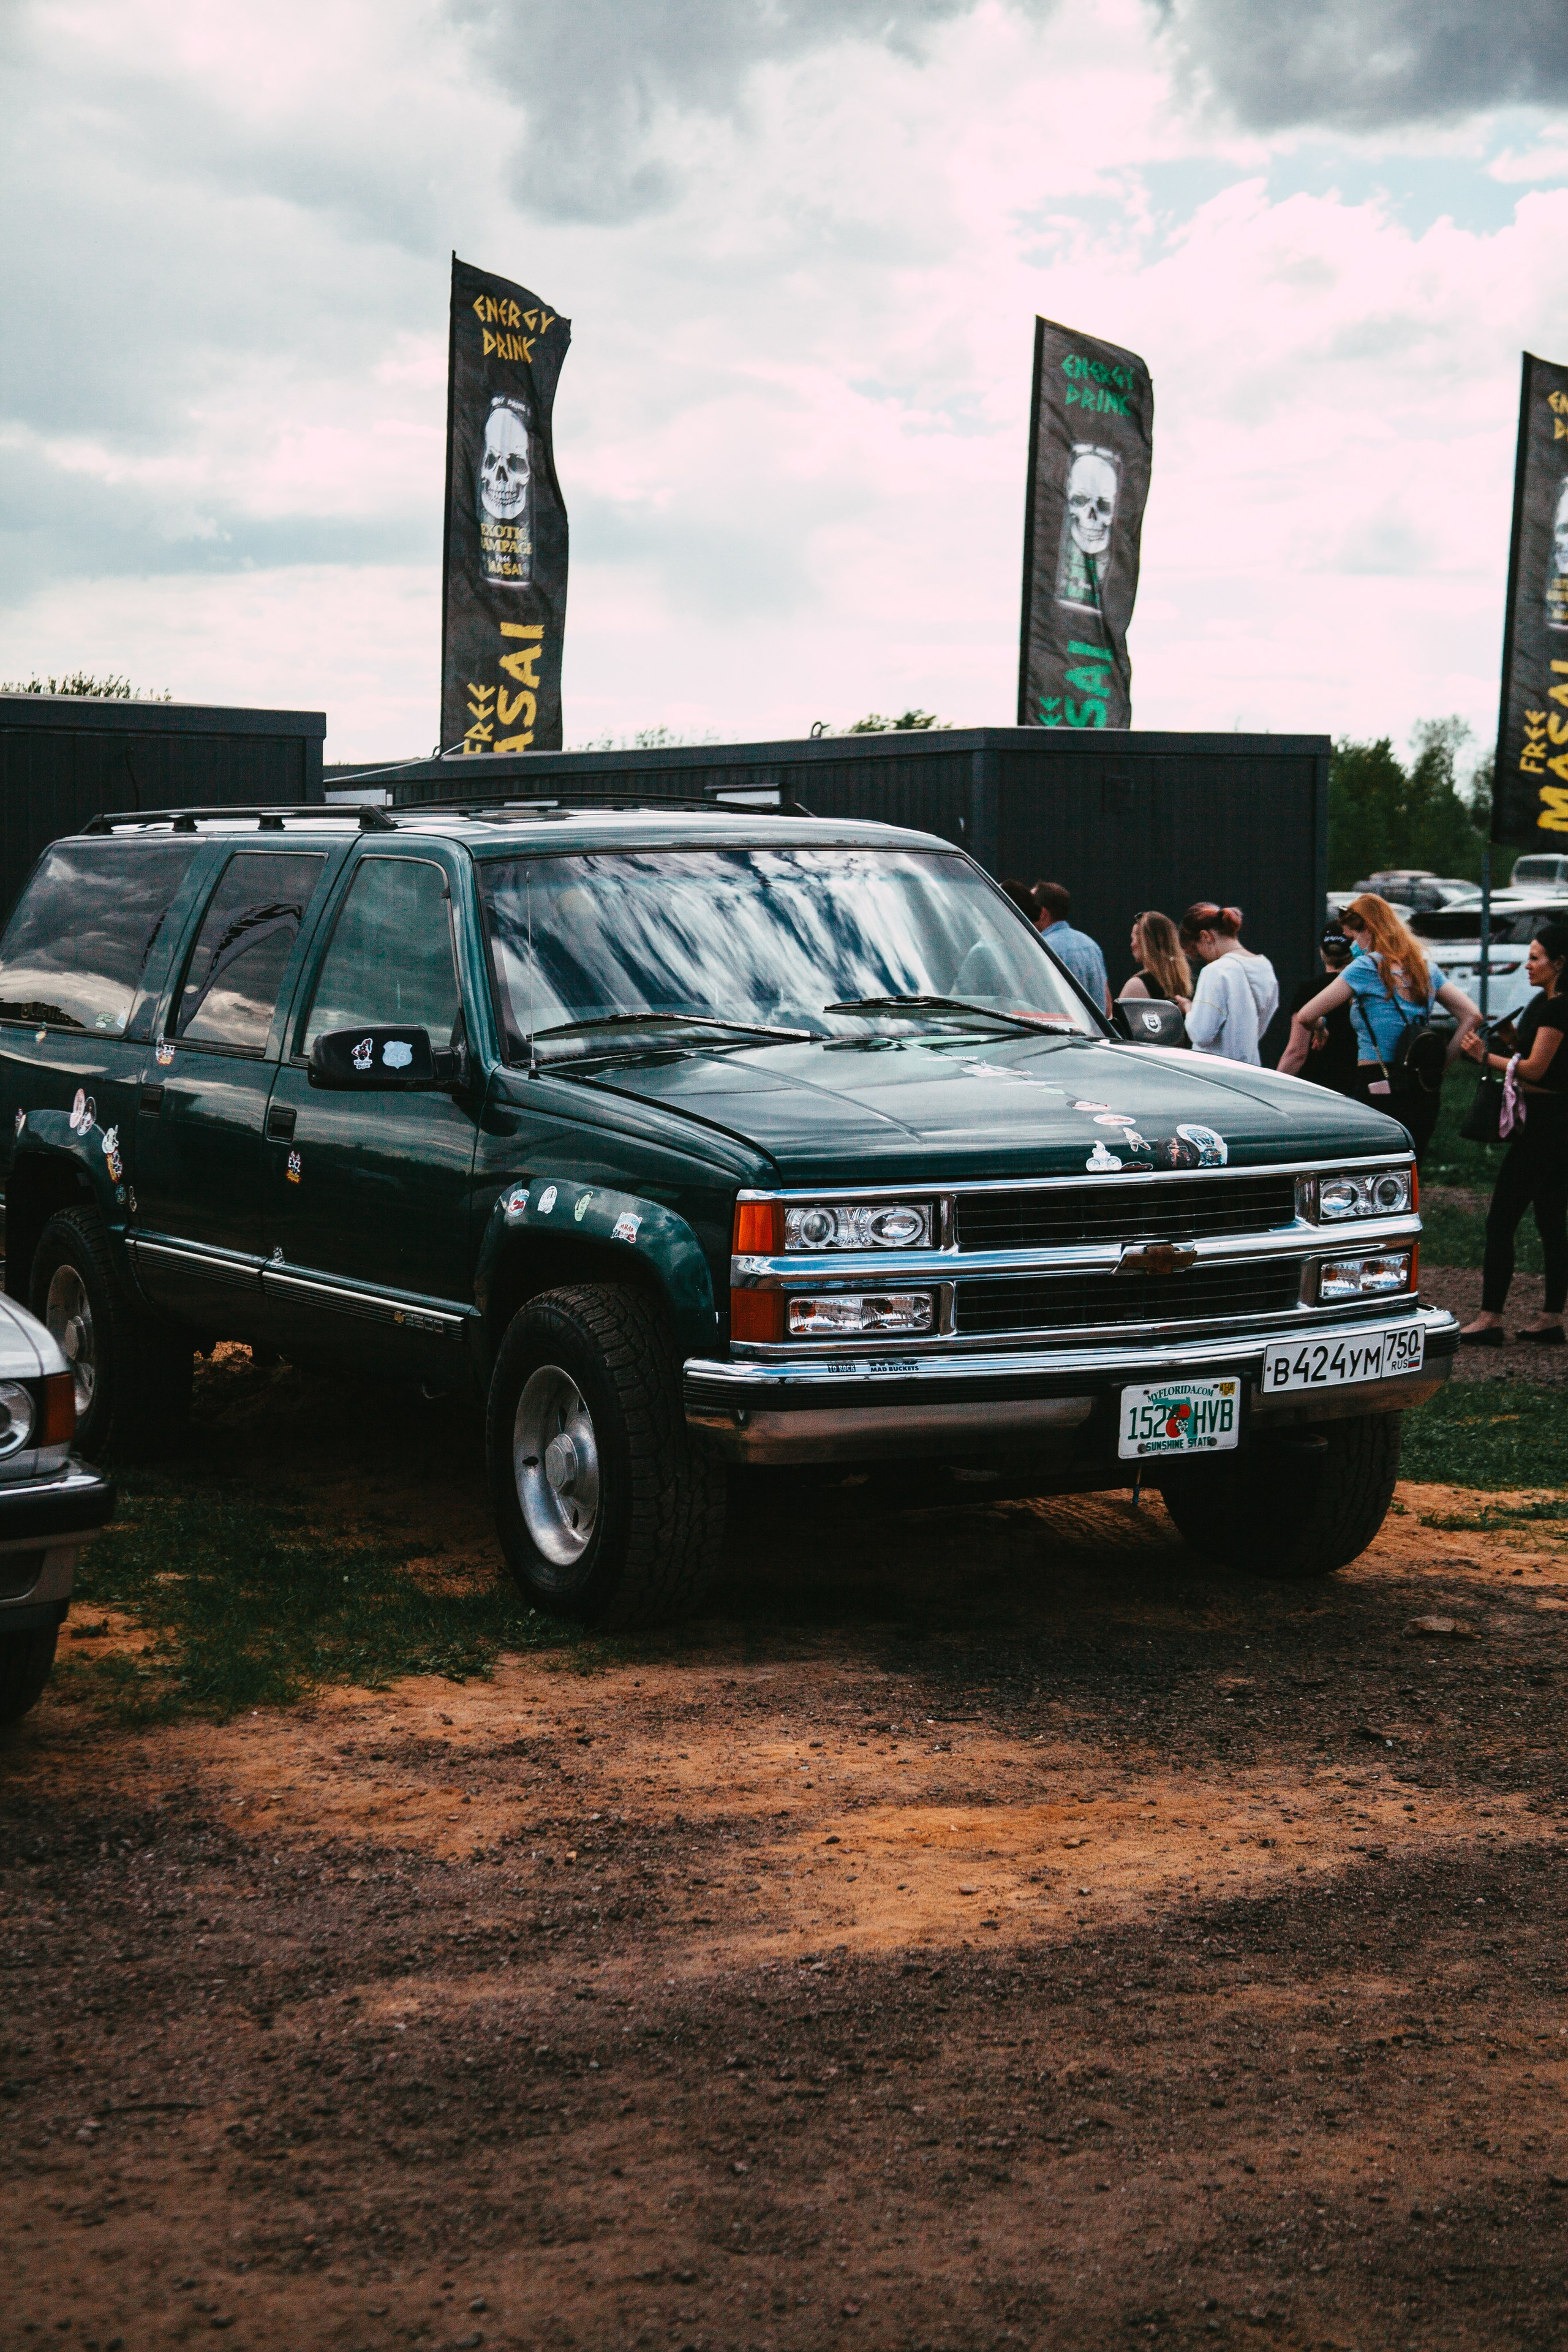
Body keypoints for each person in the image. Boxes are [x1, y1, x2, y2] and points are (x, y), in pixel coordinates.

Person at [1280, 892, 1479, 1161]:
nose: (1352, 946)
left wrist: (1320, 1028)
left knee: (1374, 1167)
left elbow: (1306, 1015)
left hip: (1377, 1079)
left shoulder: (1365, 968)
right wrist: (1440, 1065)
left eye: (1352, 937)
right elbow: (1472, 1016)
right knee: (1411, 1167)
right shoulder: (1424, 968)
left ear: (1368, 931)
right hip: (1422, 1085)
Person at [1457, 919, 1568, 1347]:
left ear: (1560, 963)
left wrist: (1484, 1056)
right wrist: (1512, 1040)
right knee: (1551, 1220)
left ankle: (1490, 1318)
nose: (1528, 965)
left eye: (1536, 958)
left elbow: (1536, 1070)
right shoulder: (1545, 1002)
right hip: (1552, 1122)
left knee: (1502, 1219)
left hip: (1547, 1126)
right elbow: (1540, 1059)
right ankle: (1551, 1318)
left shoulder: (1558, 1008)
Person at [1178, 902, 1279, 1064]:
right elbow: (1259, 1027)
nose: (1201, 956)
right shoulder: (1265, 966)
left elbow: (1200, 1034)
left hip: (1216, 1070)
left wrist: (1189, 1008)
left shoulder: (1216, 971)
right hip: (1251, 1067)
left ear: (1206, 937)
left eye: (1197, 949)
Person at [1283, 927, 1360, 1096]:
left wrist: (1274, 1087)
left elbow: (1297, 1052)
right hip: (1355, 1084)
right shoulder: (1362, 988)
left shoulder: (1309, 989)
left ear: (1321, 951)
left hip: (1316, 1088)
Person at [1031, 881, 1111, 1015]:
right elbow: (1107, 1006)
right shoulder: (1091, 946)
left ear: (1043, 913)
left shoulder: (1040, 949)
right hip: (1093, 1028)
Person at [1119, 911, 1192, 1011]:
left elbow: (1115, 1021)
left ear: (1145, 943)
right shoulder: (1187, 984)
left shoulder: (1137, 985)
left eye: (1133, 939)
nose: (1132, 945)